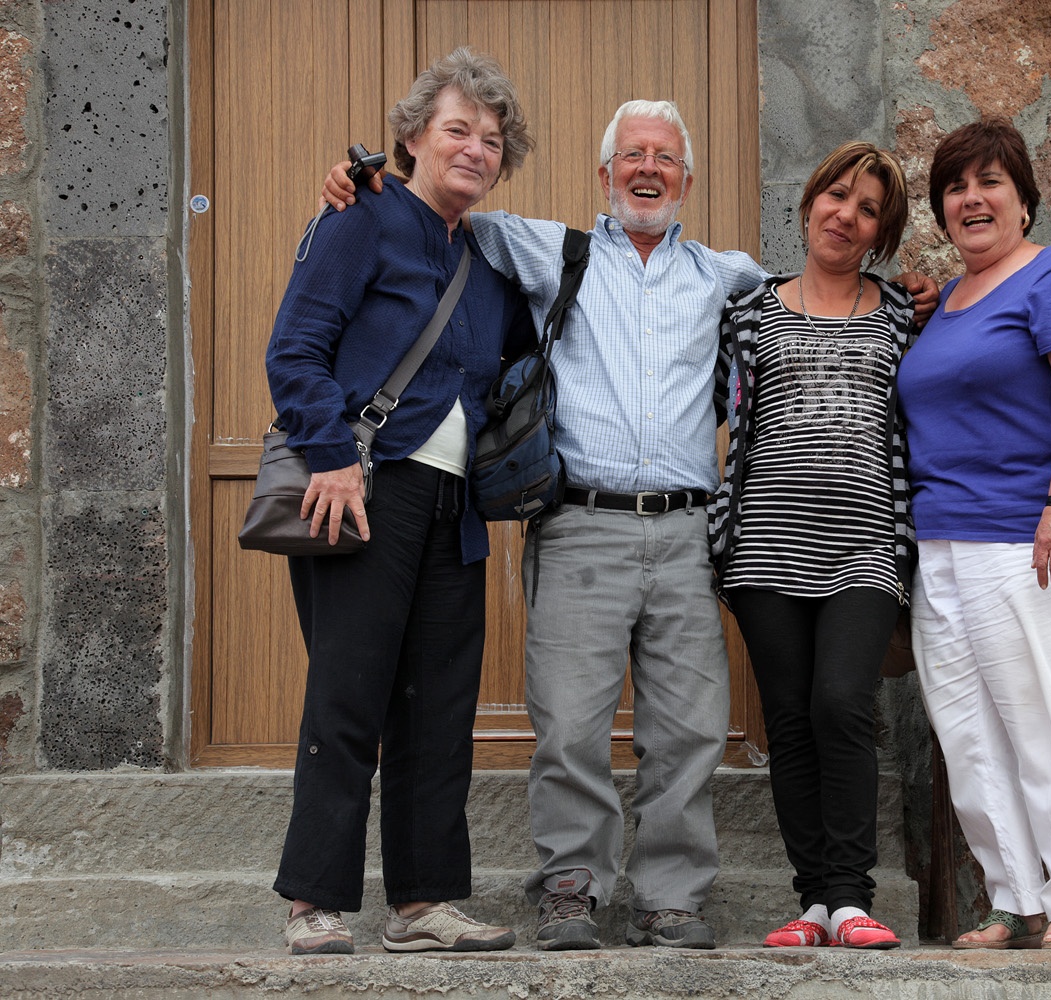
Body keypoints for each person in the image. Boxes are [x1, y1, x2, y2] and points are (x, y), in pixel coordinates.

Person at [321, 101, 937, 952]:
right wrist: (373, 185)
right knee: (571, 725)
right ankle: (570, 889)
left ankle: (670, 899)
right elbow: (442, 204)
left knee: (685, 731)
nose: (649, 170)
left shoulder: (732, 279)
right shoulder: (543, 248)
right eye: (632, 157)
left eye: (667, 159)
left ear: (687, 180)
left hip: (688, 537)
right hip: (580, 526)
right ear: (605, 174)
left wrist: (913, 297)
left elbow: (828, 304)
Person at [267, 48, 536, 956]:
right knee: (349, 695)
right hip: (360, 488)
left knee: (438, 707)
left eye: (491, 140)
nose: (474, 148)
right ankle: (315, 902)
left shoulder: (492, 263)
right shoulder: (362, 216)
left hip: (453, 508)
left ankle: (424, 904)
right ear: (413, 137)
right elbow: (295, 349)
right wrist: (329, 455)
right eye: (457, 129)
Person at [895, 117, 1051, 950]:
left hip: (1039, 540)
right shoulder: (949, 302)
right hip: (948, 546)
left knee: (1049, 715)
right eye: (956, 188)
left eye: (989, 182)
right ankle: (1014, 898)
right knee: (968, 731)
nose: (971, 199)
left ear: (1023, 199)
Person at [708, 142, 915, 950]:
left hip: (865, 542)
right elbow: (716, 416)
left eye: (868, 209)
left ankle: (854, 896)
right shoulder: (749, 311)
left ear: (880, 233)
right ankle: (814, 905)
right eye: (837, 195)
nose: (846, 215)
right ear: (809, 203)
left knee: (842, 703)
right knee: (792, 721)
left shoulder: (902, 312)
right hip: (763, 547)